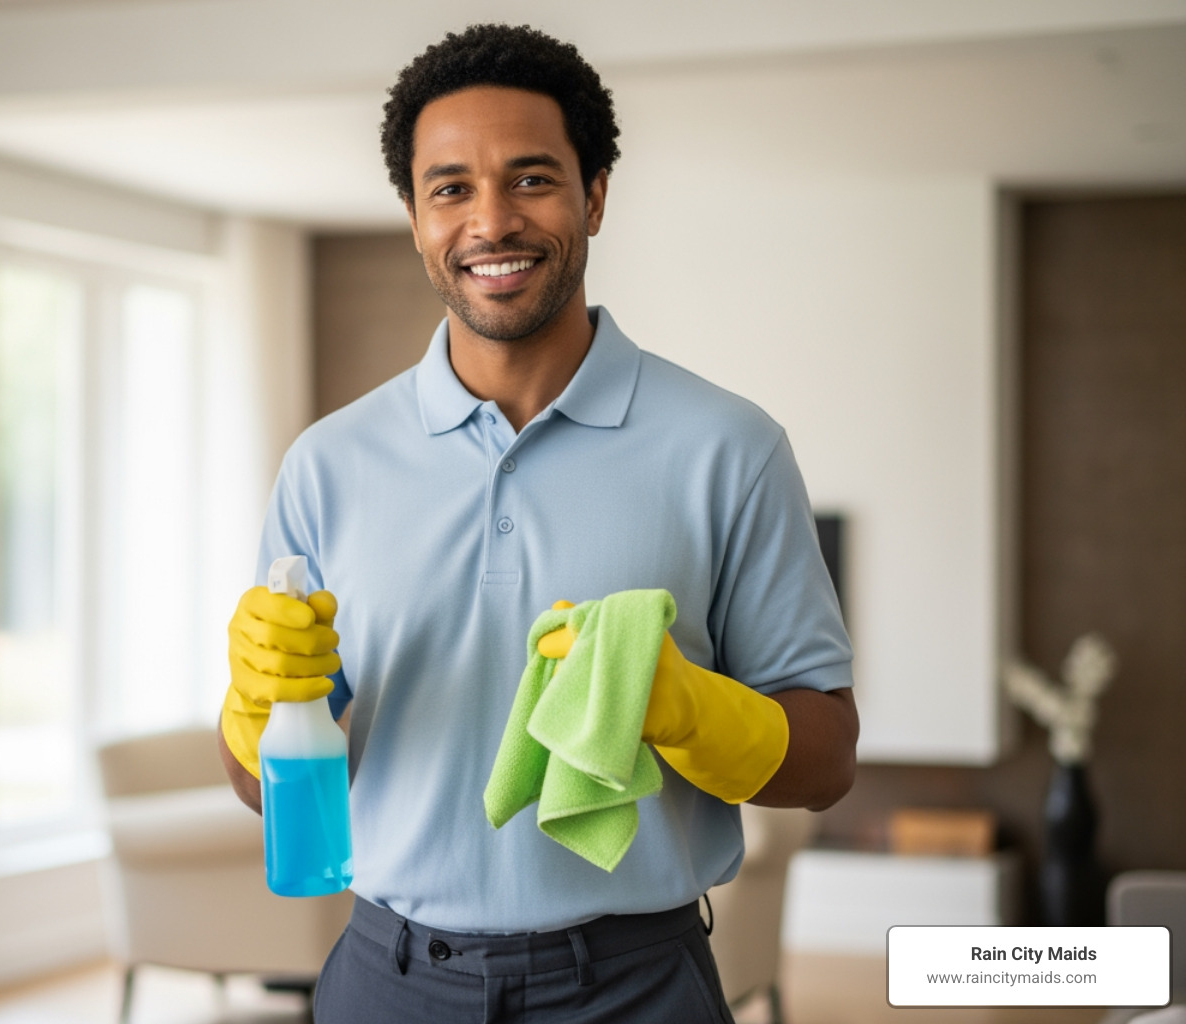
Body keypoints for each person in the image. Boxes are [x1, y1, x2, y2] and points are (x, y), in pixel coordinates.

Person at [217, 23, 857, 1023]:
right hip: (387, 980)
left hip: (637, 985)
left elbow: (828, 759)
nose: (491, 222)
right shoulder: (328, 465)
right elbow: (264, 785)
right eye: (451, 189)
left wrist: (692, 711)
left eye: (531, 179)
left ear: (595, 194)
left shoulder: (730, 448)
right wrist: (255, 707)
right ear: (414, 215)